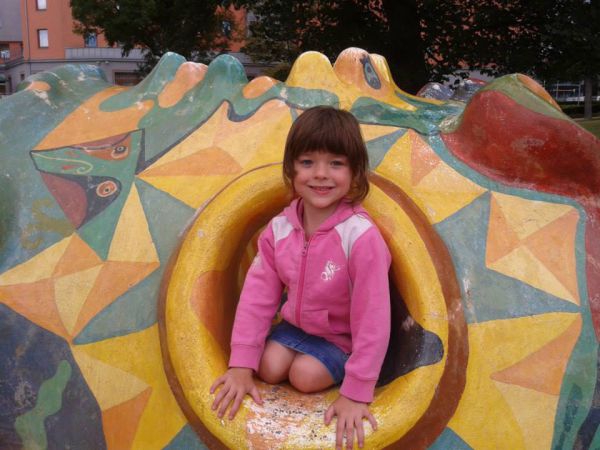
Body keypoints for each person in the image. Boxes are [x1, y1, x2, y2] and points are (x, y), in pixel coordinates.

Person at [210, 106, 391, 449]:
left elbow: (373, 316)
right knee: (267, 366)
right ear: (291, 169)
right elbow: (257, 297)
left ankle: (334, 366)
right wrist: (240, 364)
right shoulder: (279, 229)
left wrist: (357, 391)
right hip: (294, 328)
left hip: (340, 338)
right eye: (308, 162)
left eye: (335, 163)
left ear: (354, 172)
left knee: (304, 376)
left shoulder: (359, 236)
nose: (320, 174)